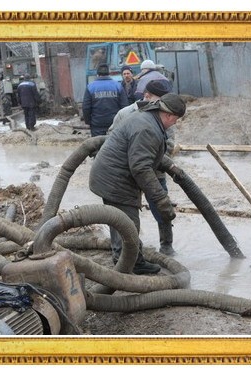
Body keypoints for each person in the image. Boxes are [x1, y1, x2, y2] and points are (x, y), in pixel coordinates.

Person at [89, 93, 187, 275]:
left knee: (119, 220)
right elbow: (141, 167)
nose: (174, 124)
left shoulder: (147, 117)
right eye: (176, 120)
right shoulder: (149, 129)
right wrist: (161, 199)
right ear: (169, 115)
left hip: (112, 176)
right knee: (128, 224)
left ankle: (128, 259)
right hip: (116, 180)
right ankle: (128, 265)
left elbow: (146, 155)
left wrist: (171, 167)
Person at [108, 80, 179, 256]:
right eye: (160, 100)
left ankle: (167, 245)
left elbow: (169, 144)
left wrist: (160, 159)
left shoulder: (166, 115)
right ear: (147, 96)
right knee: (123, 212)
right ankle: (126, 252)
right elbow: (111, 139)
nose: (164, 105)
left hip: (155, 171)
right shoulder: (125, 114)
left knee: (162, 206)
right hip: (128, 173)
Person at [82, 63, 128, 137]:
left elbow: (86, 107)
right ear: (109, 73)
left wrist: (88, 122)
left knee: (98, 146)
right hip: (115, 123)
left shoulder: (90, 87)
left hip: (97, 124)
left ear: (97, 74)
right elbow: (124, 106)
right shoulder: (118, 86)